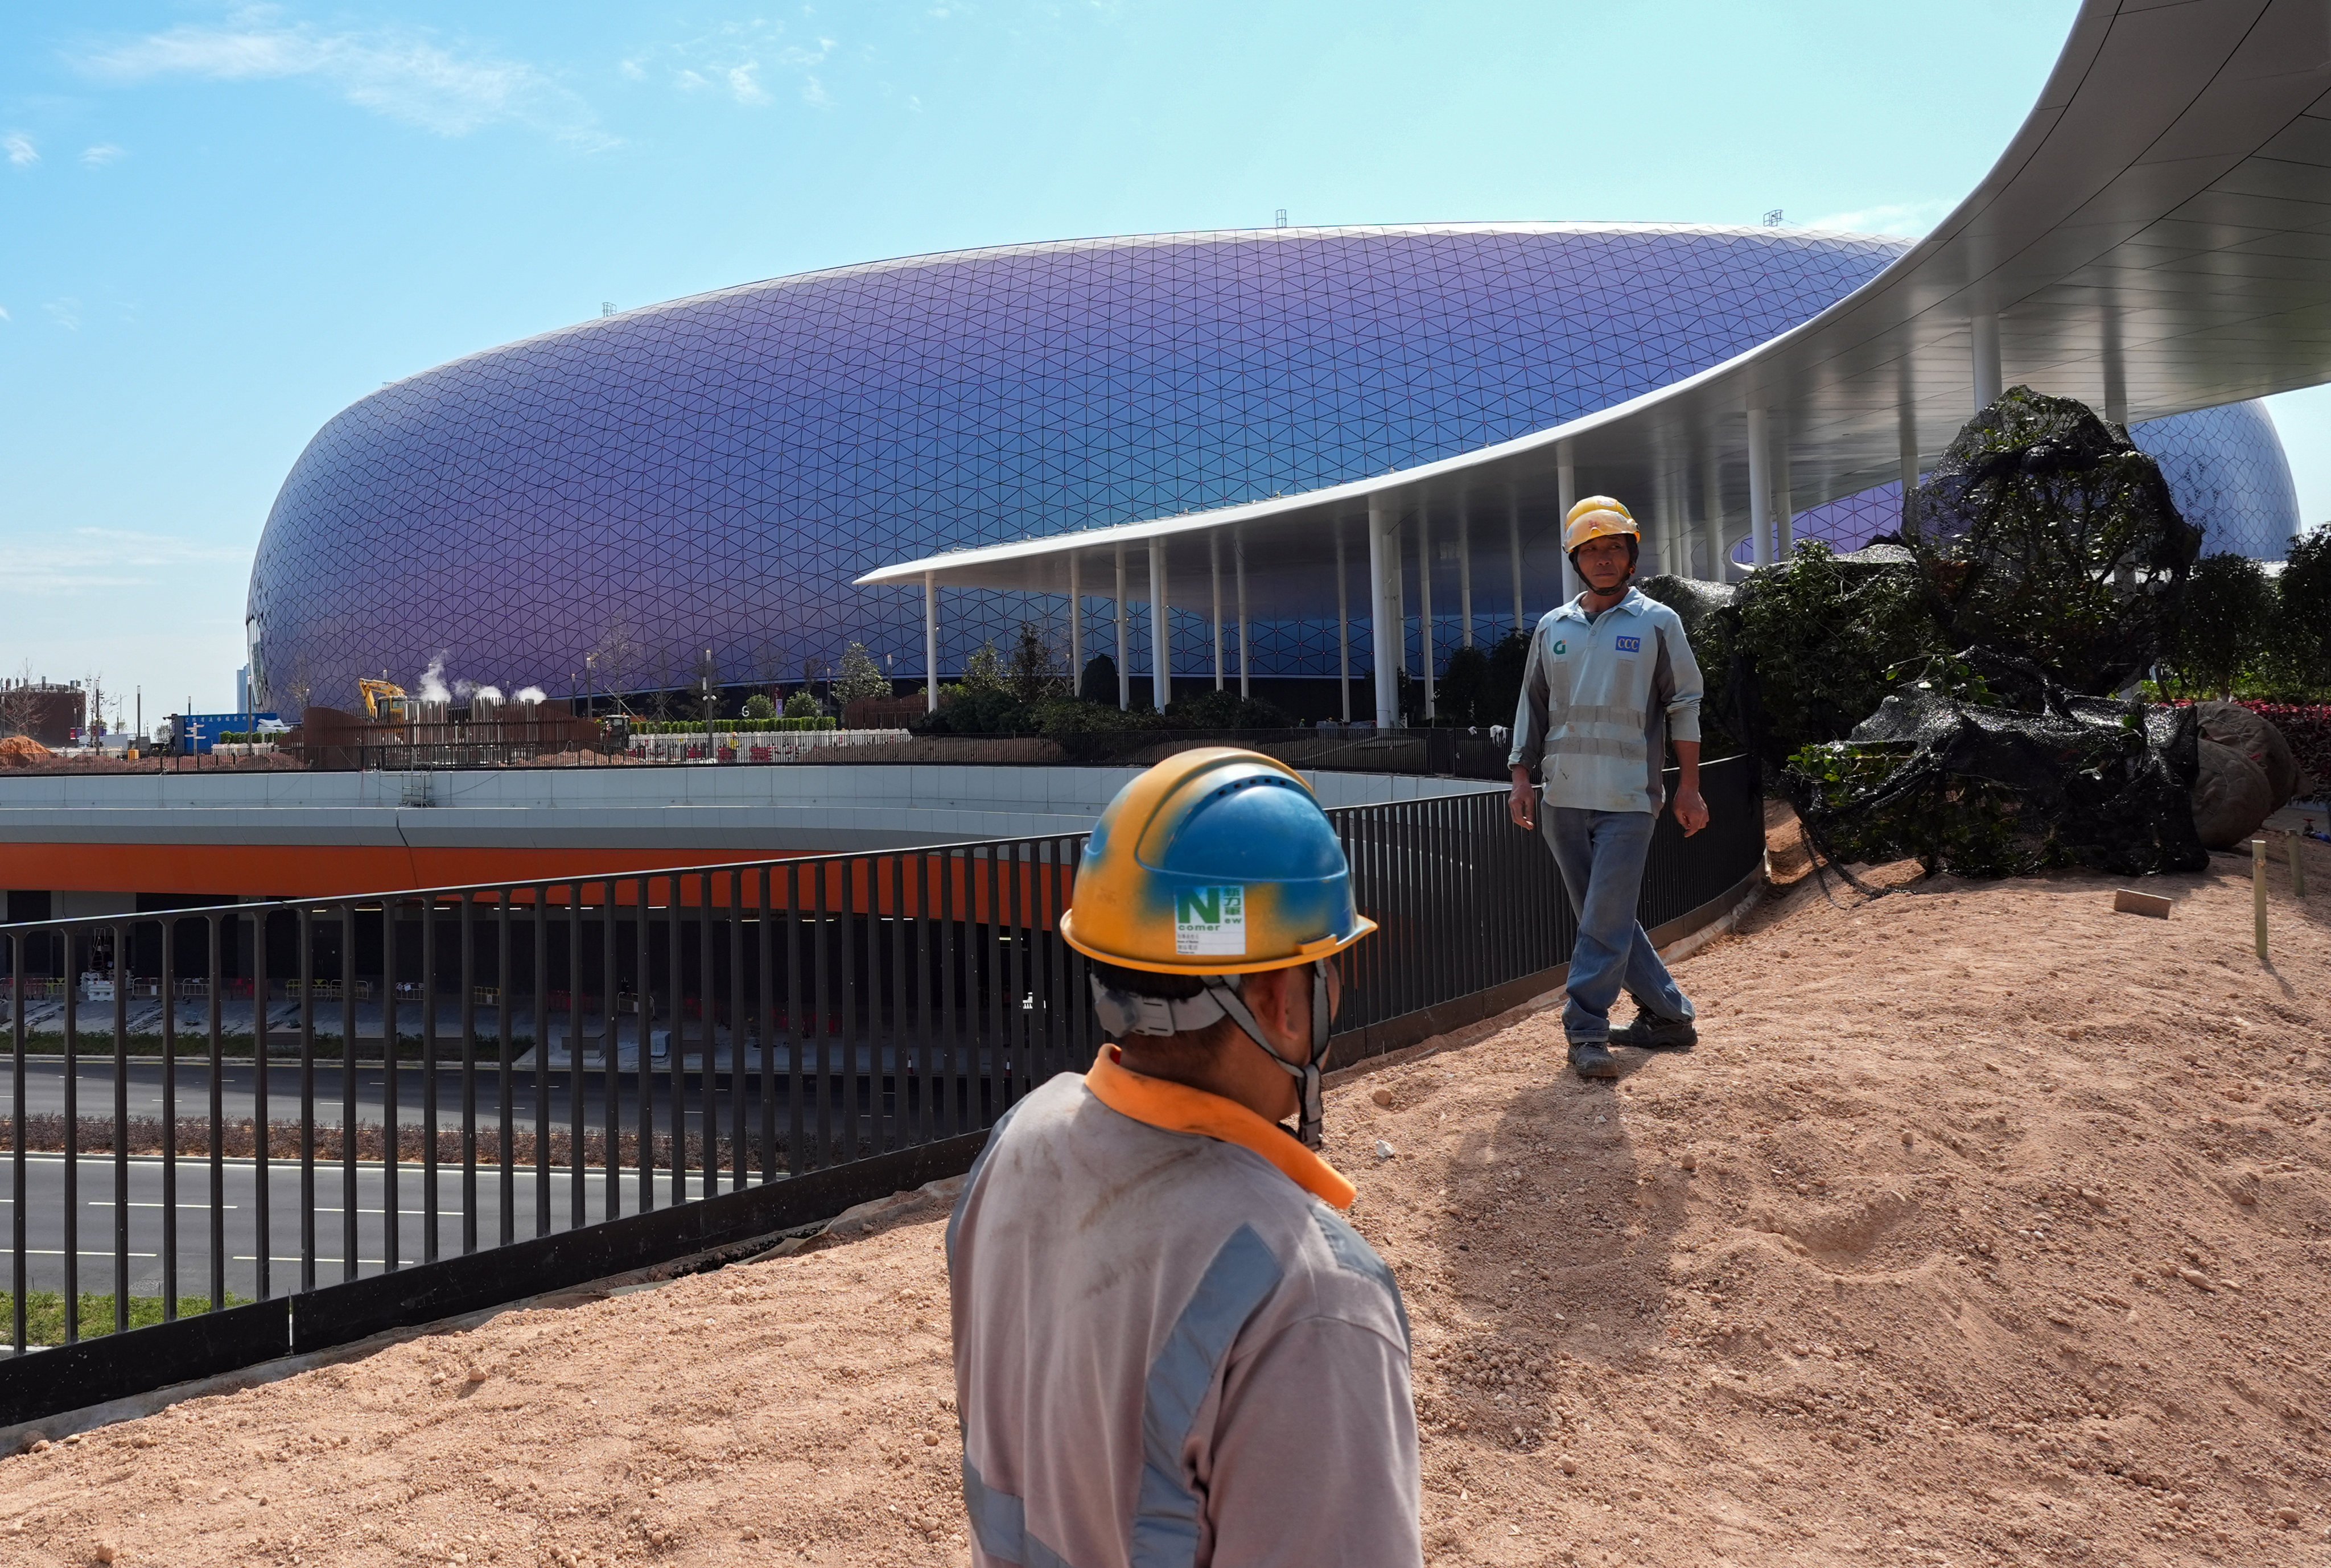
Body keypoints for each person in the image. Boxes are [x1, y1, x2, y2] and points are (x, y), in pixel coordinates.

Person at [948, 747, 1422, 1568]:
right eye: (1327, 968)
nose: (1333, 991)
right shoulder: (1308, 1297)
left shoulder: (1020, 1139)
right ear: (1281, 1003)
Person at [1508, 495, 1710, 1080]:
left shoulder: (1657, 623)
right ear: (1575, 558)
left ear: (1630, 555)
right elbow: (1532, 705)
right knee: (1606, 917)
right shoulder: (1553, 626)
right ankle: (1669, 1017)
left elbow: (1685, 704)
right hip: (1561, 799)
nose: (1602, 558)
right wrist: (1521, 777)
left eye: (1613, 548)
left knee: (1603, 919)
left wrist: (1689, 788)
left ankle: (1586, 1029)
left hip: (1628, 800)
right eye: (1590, 549)